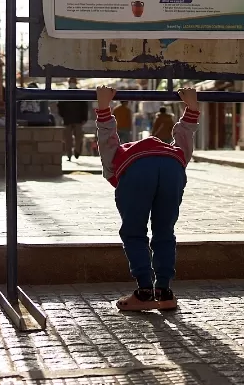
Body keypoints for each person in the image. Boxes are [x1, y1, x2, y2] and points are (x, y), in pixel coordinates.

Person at [95, 85, 200, 312]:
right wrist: (191, 108)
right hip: (173, 166)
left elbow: (107, 139)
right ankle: (164, 291)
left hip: (138, 169)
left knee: (134, 232)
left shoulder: (117, 161)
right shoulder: (169, 152)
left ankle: (144, 292)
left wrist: (103, 107)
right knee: (164, 231)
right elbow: (184, 140)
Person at [57, 78, 90, 160]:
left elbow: (84, 106)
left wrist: (84, 118)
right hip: (72, 119)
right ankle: (70, 154)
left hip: (74, 119)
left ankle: (76, 152)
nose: (72, 83)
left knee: (76, 137)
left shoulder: (66, 93)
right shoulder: (78, 93)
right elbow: (60, 106)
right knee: (69, 138)